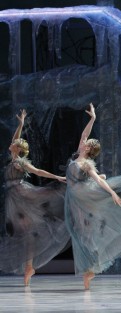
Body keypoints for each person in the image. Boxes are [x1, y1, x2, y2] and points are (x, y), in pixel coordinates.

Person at [64, 103, 121, 290]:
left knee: (87, 229)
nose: (85, 142)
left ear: (89, 149)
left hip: (86, 194)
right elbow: (83, 135)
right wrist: (93, 118)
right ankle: (90, 268)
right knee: (79, 231)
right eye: (86, 142)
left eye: (88, 144)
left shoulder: (86, 163)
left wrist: (111, 193)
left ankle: (91, 265)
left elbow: (98, 181)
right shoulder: (79, 155)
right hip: (77, 196)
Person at [0, 109, 68, 286]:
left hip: (22, 197)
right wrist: (21, 124)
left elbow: (38, 171)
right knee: (21, 232)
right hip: (13, 199)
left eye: (14, 145)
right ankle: (29, 267)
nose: (11, 144)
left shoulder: (20, 163)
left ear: (18, 149)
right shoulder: (13, 158)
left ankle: (29, 266)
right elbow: (16, 139)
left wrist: (57, 177)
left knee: (27, 231)